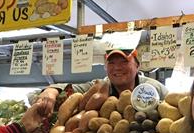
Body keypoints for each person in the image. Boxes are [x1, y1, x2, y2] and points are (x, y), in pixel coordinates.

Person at [38, 48, 168, 115]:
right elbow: (73, 89)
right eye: (111, 63)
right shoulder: (99, 86)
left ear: (137, 66)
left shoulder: (155, 88)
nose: (117, 67)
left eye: (124, 62)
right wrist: (51, 91)